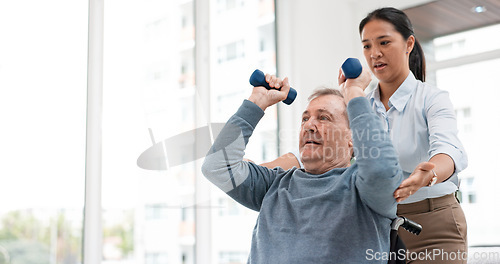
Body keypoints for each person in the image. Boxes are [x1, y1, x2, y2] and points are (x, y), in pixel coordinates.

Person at [260, 7, 469, 264]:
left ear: (409, 44)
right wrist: (265, 172)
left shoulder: (431, 99)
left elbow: (450, 150)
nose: (374, 54)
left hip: (432, 225)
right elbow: (327, 150)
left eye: (384, 42)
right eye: (367, 46)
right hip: (374, 222)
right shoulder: (358, 103)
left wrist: (429, 174)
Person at [202, 68, 405, 263]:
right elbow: (216, 165)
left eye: (324, 118)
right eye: (305, 118)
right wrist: (257, 101)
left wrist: (354, 92)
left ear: (352, 137)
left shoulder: (363, 189)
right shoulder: (274, 184)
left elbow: (381, 169)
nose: (308, 125)